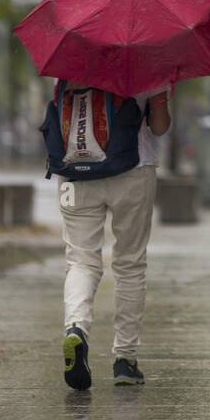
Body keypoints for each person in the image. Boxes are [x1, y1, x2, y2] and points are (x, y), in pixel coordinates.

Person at [57, 82, 171, 392]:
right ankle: (125, 360)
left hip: (76, 171)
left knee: (81, 261)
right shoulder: (150, 61)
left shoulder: (71, 56)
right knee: (130, 265)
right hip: (133, 169)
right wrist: (160, 94)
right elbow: (159, 127)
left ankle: (77, 328)